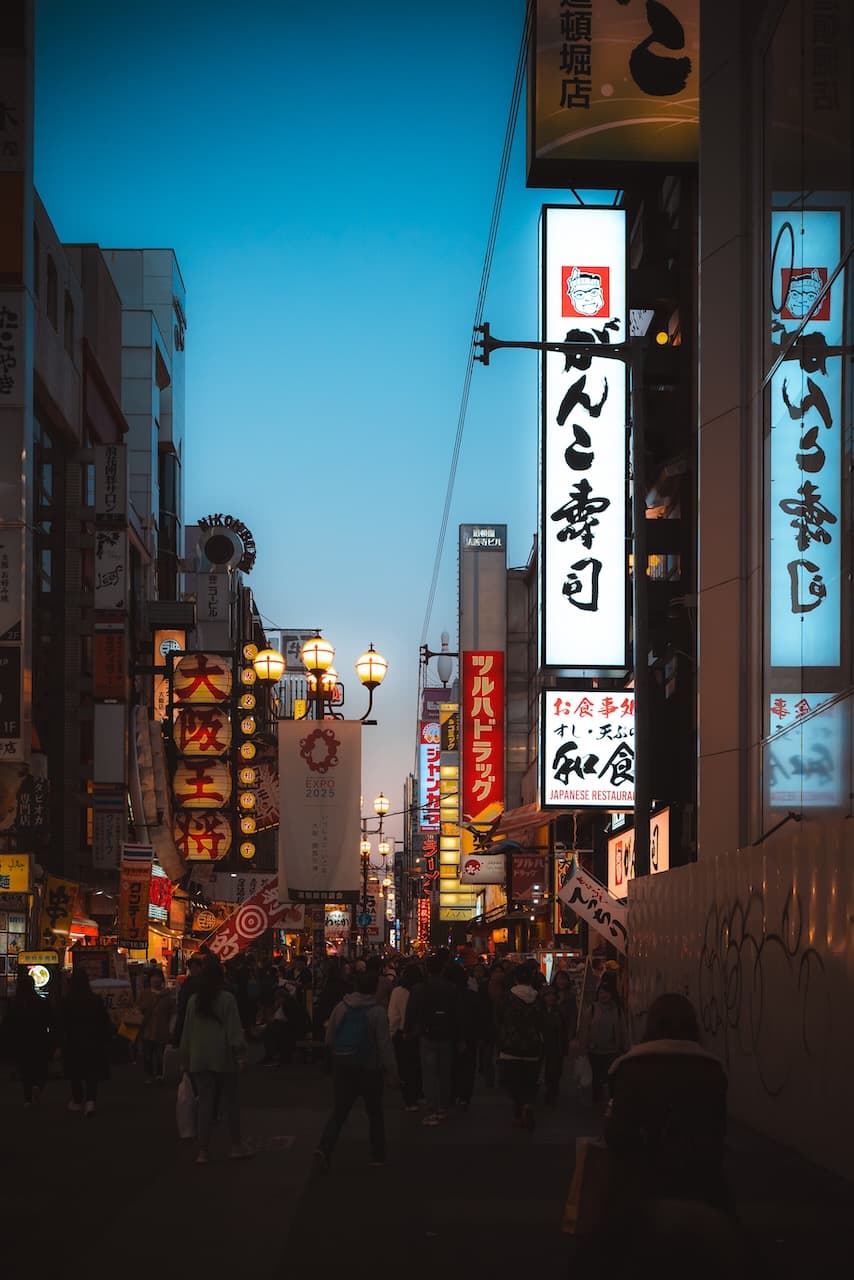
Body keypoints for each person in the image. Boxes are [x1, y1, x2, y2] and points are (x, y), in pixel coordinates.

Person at [314, 968, 398, 1172]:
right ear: (375, 989)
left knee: (340, 1110)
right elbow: (384, 1045)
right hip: (369, 1067)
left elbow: (329, 1037)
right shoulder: (377, 1011)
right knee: (375, 1112)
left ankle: (325, 1147)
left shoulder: (341, 1007)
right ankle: (377, 1154)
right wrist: (392, 1072)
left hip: (343, 1064)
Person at [179, 955, 251, 1164]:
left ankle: (203, 1151)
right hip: (223, 1056)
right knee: (231, 1102)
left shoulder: (194, 1001)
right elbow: (234, 1030)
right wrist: (241, 1054)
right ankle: (236, 1146)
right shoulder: (227, 999)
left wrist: (185, 1058)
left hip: (199, 1057)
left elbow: (187, 1031)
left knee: (204, 1104)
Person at [405, 953, 460, 1126]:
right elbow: (458, 1015)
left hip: (427, 1034)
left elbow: (411, 1011)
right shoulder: (452, 988)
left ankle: (431, 1107)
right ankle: (443, 1107)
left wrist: (407, 1030)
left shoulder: (420, 988)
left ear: (427, 969)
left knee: (428, 1073)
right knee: (445, 1072)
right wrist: (460, 1037)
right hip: (447, 1034)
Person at [494, 960, 546, 1131]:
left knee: (513, 1081)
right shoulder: (538, 998)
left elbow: (499, 1019)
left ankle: (518, 1110)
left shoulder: (507, 997)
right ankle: (527, 1104)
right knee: (529, 1080)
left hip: (510, 1045)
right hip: (532, 1045)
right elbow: (542, 1021)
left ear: (515, 978)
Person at [60, 969, 113, 1115]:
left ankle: (77, 1100)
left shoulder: (66, 1000)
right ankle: (91, 1101)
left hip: (73, 1042)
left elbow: (61, 1023)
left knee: (75, 1072)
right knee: (92, 1072)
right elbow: (104, 1021)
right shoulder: (95, 1000)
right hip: (93, 1041)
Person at [2, 972, 52, 1106]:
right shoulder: (42, 1002)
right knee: (40, 1067)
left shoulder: (14, 1004)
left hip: (21, 1041)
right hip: (39, 1040)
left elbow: (8, 1025)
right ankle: (38, 1086)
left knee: (26, 1070)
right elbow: (49, 1021)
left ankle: (27, 1098)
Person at [579, 981, 628, 1105]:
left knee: (612, 1076)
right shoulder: (592, 1009)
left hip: (612, 1049)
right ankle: (597, 1097)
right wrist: (583, 1047)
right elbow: (585, 1029)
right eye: (601, 992)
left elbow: (623, 1029)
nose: (603, 995)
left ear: (612, 994)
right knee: (596, 1075)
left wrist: (625, 1047)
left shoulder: (617, 1010)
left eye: (606, 992)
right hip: (594, 1049)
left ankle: (612, 1099)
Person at [387, 963, 423, 1111]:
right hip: (420, 1033)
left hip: (402, 1035)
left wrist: (390, 1033)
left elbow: (393, 1016)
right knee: (419, 1066)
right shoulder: (422, 990)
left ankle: (410, 1100)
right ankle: (421, 1095)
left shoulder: (397, 992)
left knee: (405, 1068)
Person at [446, 962, 479, 1110]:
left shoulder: (447, 996)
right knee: (468, 1066)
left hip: (450, 1035)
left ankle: (453, 1094)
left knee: (452, 1065)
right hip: (470, 1035)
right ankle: (465, 1096)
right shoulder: (472, 996)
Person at [139, 970, 175, 1084]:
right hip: (147, 1028)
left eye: (158, 977)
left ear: (162, 980)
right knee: (147, 1054)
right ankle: (149, 1075)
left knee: (160, 1054)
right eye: (153, 977)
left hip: (162, 1029)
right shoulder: (144, 994)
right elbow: (138, 1009)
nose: (156, 979)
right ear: (149, 980)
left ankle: (159, 1074)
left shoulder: (168, 995)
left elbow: (172, 1012)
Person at [541, 985, 570, 1106]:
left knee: (554, 1072)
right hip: (542, 1046)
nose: (551, 997)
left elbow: (564, 1031)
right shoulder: (539, 1011)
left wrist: (564, 1047)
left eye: (553, 995)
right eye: (548, 995)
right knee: (546, 1072)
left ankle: (551, 1094)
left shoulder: (559, 1012)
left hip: (555, 1046)